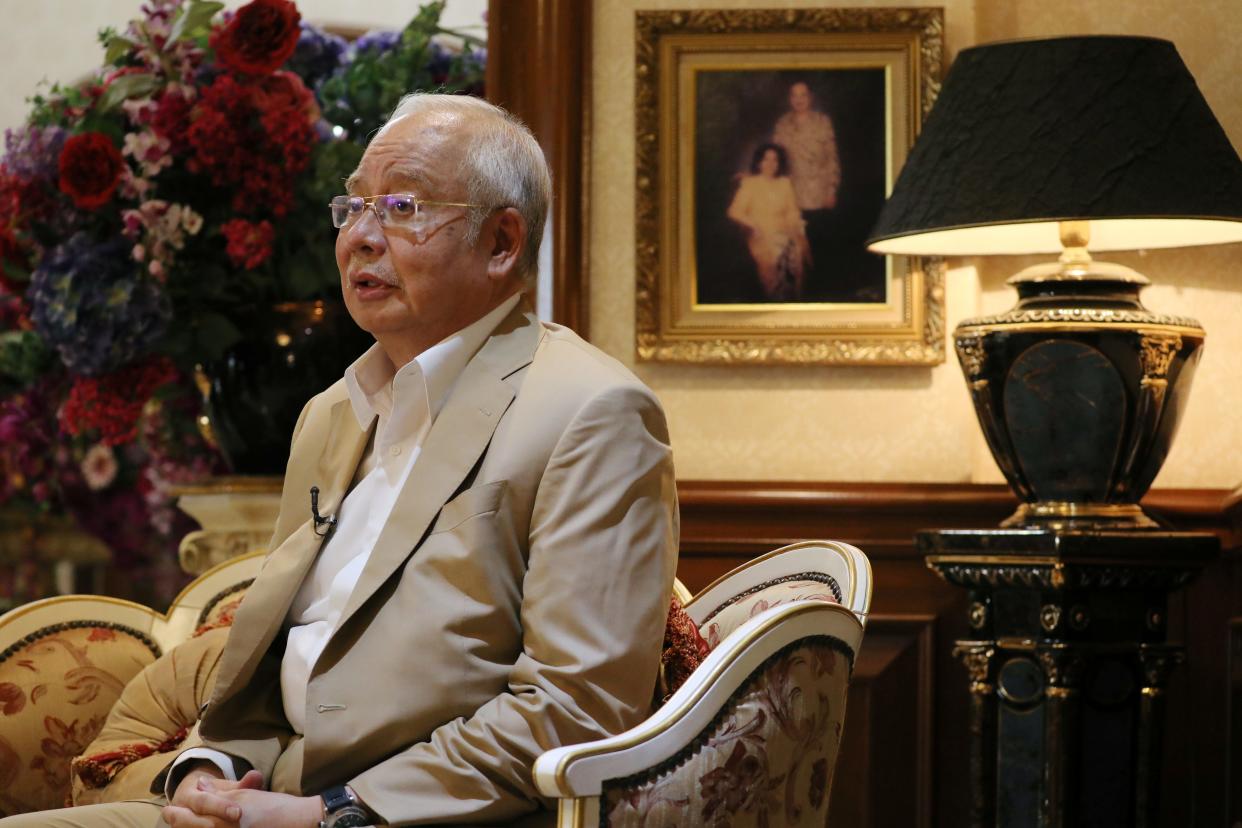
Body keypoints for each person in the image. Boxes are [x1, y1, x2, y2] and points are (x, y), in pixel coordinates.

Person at [1, 94, 678, 827]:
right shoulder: (332, 413)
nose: (360, 236)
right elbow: (282, 651)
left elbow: (576, 709)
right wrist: (210, 767)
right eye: (352, 207)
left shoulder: (592, 411)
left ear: (501, 242)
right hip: (266, 794)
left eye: (401, 207)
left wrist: (335, 813)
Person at [727, 143, 811, 300]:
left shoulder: (784, 183)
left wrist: (796, 225)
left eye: (775, 160)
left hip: (785, 229)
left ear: (779, 164)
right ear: (759, 162)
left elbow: (792, 210)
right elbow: (734, 211)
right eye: (766, 159)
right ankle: (774, 297)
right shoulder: (750, 184)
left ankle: (793, 300)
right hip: (761, 231)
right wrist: (753, 225)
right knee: (776, 254)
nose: (771, 164)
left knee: (797, 252)